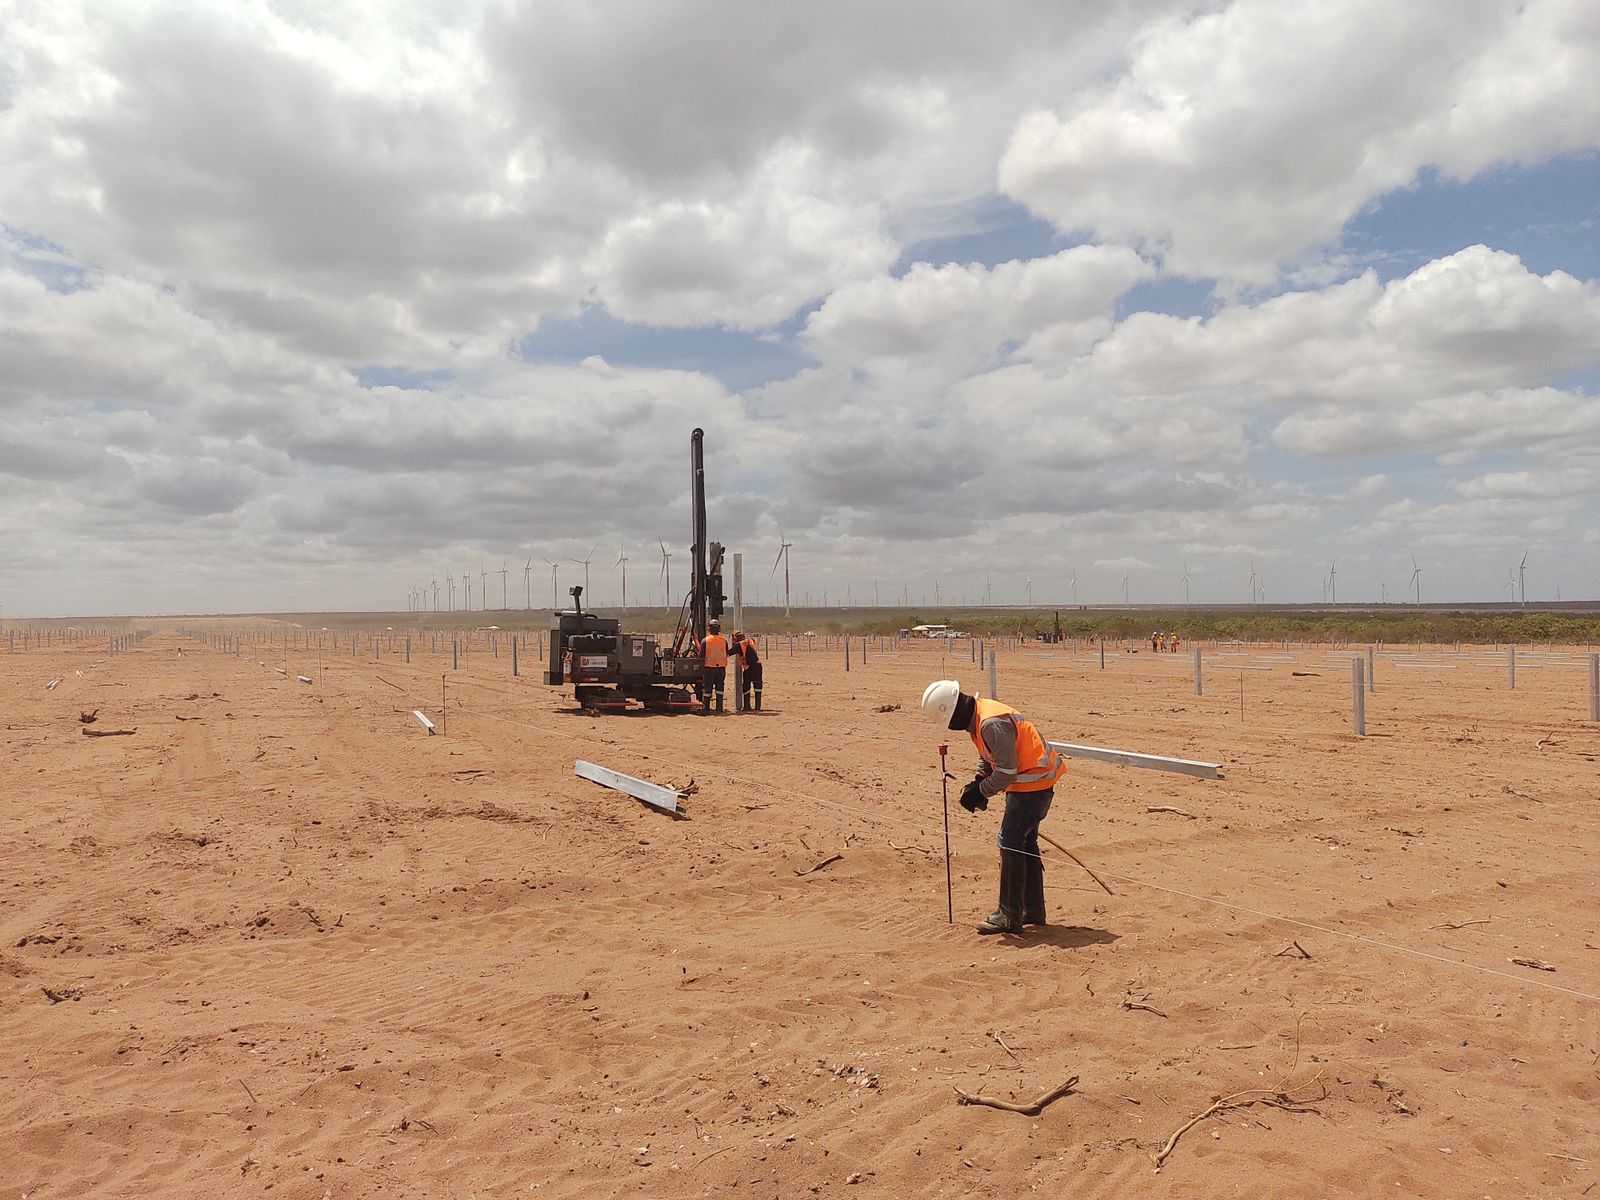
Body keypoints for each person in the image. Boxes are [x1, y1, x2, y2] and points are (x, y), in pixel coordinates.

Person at [920, 680, 1066, 935]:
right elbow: (990, 755)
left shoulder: (990, 723)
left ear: (954, 712)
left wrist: (981, 791)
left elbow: (1007, 771)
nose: (951, 728)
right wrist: (980, 778)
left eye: (949, 723)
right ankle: (1032, 910)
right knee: (1025, 843)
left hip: (1034, 783)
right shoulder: (979, 717)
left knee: (1010, 841)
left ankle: (1009, 915)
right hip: (1031, 782)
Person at [698, 619, 729, 714]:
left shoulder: (705, 641)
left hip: (709, 668)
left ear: (709, 628)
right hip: (721, 668)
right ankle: (719, 709)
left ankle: (706, 709)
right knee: (720, 688)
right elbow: (726, 653)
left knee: (708, 689)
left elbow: (701, 656)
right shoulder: (724, 641)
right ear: (719, 628)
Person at [732, 630, 763, 712]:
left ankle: (747, 706)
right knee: (757, 686)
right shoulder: (750, 641)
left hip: (749, 668)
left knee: (746, 686)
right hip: (758, 666)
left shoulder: (739, 645)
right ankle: (758, 707)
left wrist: (733, 644)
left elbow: (729, 652)